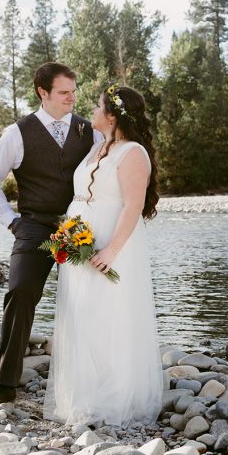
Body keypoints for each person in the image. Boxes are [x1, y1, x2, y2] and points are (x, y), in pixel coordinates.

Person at [0, 62, 97, 405]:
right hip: (34, 224)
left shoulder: (90, 131)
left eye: (74, 90)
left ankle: (91, 382)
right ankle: (5, 385)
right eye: (64, 92)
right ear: (43, 92)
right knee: (21, 292)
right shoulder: (17, 132)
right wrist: (11, 221)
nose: (72, 97)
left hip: (77, 227)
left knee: (90, 298)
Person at [44, 84, 163, 427]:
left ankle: (114, 397)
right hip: (79, 239)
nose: (91, 113)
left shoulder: (133, 153)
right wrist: (65, 236)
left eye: (97, 107)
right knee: (81, 314)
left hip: (113, 242)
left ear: (112, 116)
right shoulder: (98, 148)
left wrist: (111, 250)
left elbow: (132, 205)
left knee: (110, 315)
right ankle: (85, 394)